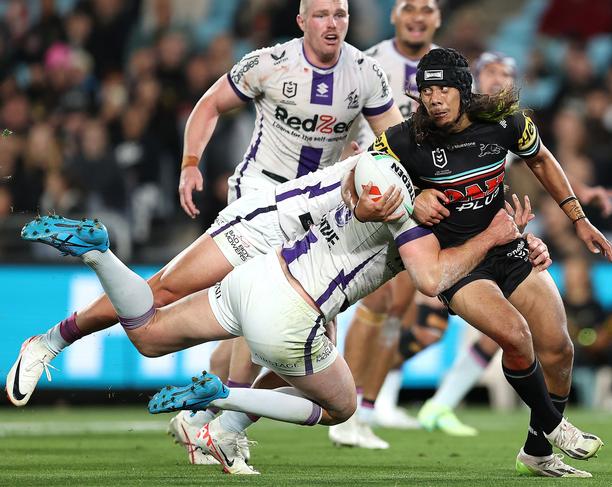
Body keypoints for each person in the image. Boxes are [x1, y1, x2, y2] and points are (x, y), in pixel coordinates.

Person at [20, 152, 599, 476]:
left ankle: (99, 252)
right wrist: (498, 234)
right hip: (292, 310)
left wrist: (515, 247)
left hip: (258, 275)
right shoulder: (411, 219)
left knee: (147, 335)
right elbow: (433, 277)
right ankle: (220, 398)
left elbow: (361, 181)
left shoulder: (376, 172)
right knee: (339, 406)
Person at [5, 0, 403, 464]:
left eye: (340, 14)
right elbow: (209, 104)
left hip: (317, 217)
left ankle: (209, 425)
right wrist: (191, 163)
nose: (332, 24)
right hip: (262, 201)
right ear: (301, 21)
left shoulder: (366, 74)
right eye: (321, 14)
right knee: (170, 290)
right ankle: (53, 342)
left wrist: (373, 157)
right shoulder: (270, 63)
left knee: (307, 344)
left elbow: (395, 144)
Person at [369, 47, 612, 478]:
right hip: (457, 263)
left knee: (559, 348)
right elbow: (363, 180)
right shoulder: (405, 138)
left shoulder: (505, 123)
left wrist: (579, 218)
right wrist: (412, 197)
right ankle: (557, 426)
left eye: (444, 88)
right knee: (515, 335)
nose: (434, 99)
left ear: (463, 89)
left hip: (507, 246)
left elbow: (540, 158)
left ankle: (537, 452)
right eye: (427, 90)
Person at [329, 0, 445, 449]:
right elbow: (343, 122)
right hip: (374, 190)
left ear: (438, 18)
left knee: (397, 306)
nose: (418, 15)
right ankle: (346, 412)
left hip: (417, 196)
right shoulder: (369, 62)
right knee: (379, 303)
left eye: (428, 8)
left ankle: (366, 409)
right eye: (409, 7)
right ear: (394, 14)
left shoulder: (446, 69)